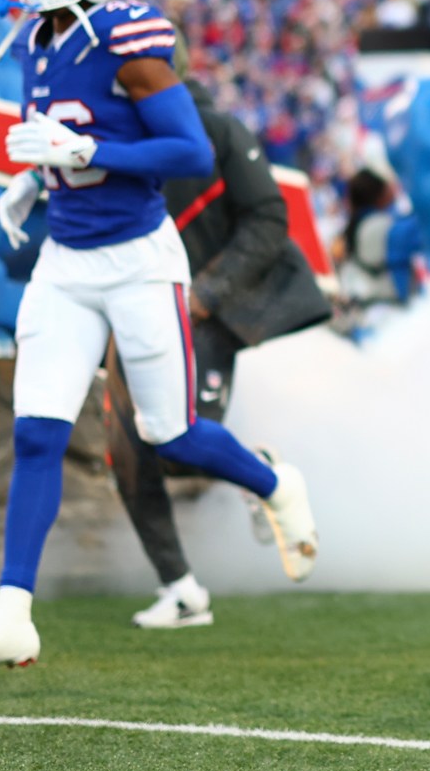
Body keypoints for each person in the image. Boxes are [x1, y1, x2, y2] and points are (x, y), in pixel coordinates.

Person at [0, 0, 319, 671]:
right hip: (66, 261)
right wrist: (41, 178)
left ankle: (273, 480)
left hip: (140, 262)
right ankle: (12, 615)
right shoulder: (38, 36)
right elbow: (64, 137)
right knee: (37, 432)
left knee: (168, 432)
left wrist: (84, 156)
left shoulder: (127, 36)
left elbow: (187, 153)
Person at [102, 79, 333, 630]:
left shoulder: (217, 130)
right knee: (127, 453)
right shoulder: (106, 129)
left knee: (179, 440)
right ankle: (180, 589)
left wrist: (207, 293)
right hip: (129, 300)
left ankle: (266, 477)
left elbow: (270, 218)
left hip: (196, 306)